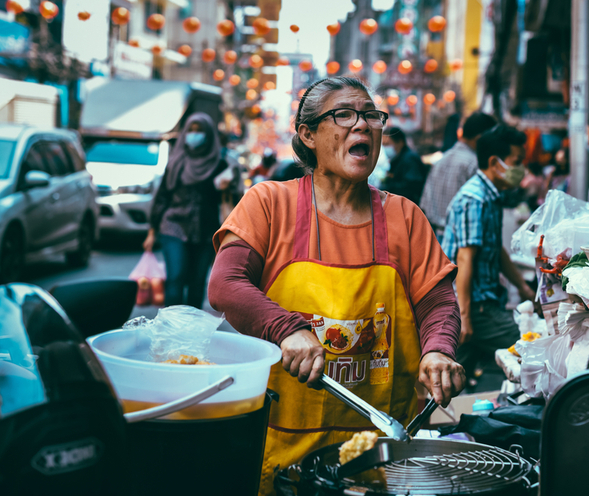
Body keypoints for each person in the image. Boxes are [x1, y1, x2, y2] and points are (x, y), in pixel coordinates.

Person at [207, 77, 465, 495]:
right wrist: (286, 329)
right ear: (307, 135)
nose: (362, 126)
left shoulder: (405, 216)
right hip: (285, 450)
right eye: (344, 114)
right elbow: (226, 284)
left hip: (383, 452)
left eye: (370, 116)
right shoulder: (269, 203)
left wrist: (438, 349)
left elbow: (437, 301)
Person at [441, 125, 536, 386]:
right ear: (495, 162)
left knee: (453, 373)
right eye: (517, 162)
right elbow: (465, 259)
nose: (521, 169)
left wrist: (524, 288)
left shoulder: (490, 196)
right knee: (530, 348)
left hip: (480, 303)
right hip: (475, 307)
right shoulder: (475, 199)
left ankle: (439, 416)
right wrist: (466, 316)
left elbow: (496, 251)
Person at [144, 113, 228, 308]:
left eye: (199, 131)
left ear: (208, 135)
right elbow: (162, 197)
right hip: (173, 226)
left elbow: (232, 200)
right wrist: (151, 231)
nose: (194, 135)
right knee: (176, 277)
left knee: (197, 282)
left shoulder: (219, 164)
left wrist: (228, 186)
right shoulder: (176, 163)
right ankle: (172, 326)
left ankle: (191, 328)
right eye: (191, 130)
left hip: (206, 231)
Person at [420, 112, 497, 237]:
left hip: (434, 235)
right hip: (461, 238)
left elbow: (424, 203)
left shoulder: (440, 160)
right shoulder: (474, 164)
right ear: (480, 138)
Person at [381, 126, 426, 203]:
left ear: (400, 142)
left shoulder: (410, 160)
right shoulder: (396, 159)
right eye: (383, 144)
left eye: (388, 144)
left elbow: (411, 187)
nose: (385, 147)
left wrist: (388, 188)